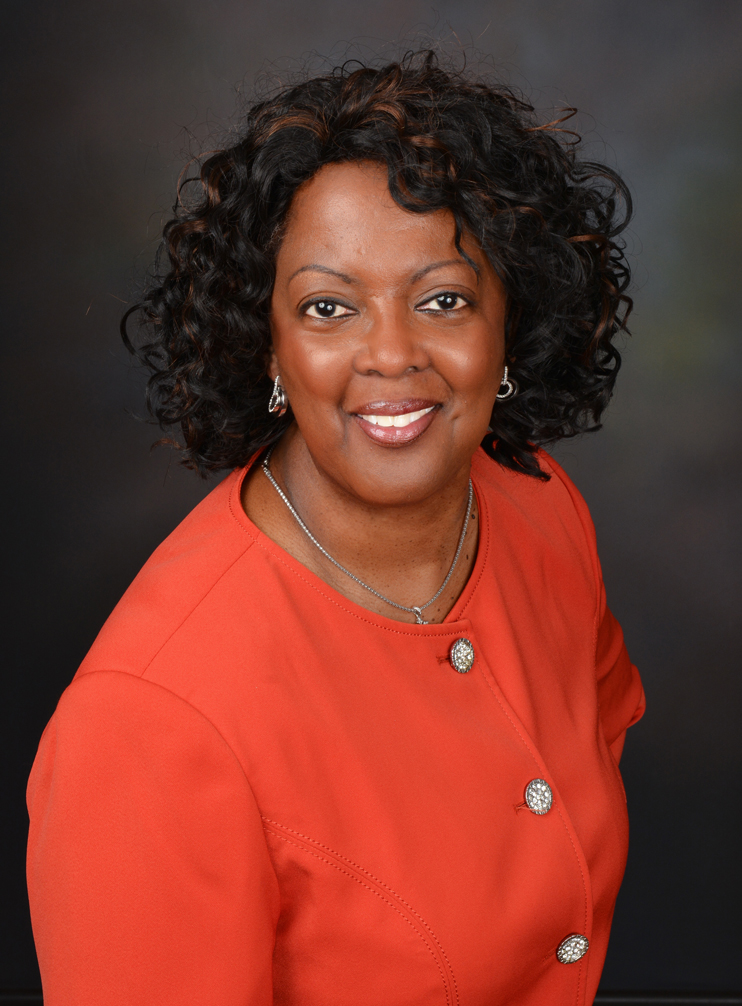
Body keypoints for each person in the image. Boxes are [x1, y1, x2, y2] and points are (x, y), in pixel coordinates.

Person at [26, 52, 645, 1006]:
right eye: (328, 307)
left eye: (444, 299)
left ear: (507, 324)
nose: (392, 353)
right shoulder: (150, 724)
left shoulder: (540, 507)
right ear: (266, 341)